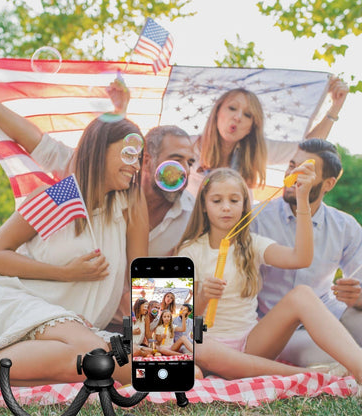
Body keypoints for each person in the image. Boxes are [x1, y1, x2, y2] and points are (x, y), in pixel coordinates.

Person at [0, 113, 148, 385]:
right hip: (11, 304)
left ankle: (7, 373)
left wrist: (152, 331)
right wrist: (65, 273)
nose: (135, 164)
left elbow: (142, 276)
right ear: (99, 149)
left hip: (74, 333)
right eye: (128, 154)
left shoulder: (130, 202)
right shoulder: (60, 196)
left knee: (119, 365)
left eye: (139, 157)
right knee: (93, 355)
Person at [176, 167, 362, 383]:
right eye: (217, 201)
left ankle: (359, 366)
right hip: (210, 346)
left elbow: (301, 258)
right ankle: (315, 377)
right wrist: (203, 297)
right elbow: (184, 321)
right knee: (199, 348)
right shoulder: (189, 251)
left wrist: (302, 200)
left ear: (244, 205)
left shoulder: (252, 243)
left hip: (251, 344)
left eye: (234, 200)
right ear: (204, 207)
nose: (226, 207)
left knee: (302, 294)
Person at [250, 139, 362, 366]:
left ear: (328, 184)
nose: (293, 174)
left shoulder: (345, 226)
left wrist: (359, 298)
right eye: (292, 166)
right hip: (278, 325)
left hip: (329, 313)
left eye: (306, 170)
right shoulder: (256, 217)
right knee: (333, 360)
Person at [187, 77, 349, 195]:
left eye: (248, 115)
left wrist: (335, 107)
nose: (238, 117)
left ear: (252, 126)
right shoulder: (187, 146)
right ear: (217, 111)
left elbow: (309, 148)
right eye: (232, 108)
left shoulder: (256, 150)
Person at [141, 125, 196, 256]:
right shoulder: (117, 202)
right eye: (177, 161)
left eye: (190, 163)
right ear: (146, 161)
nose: (187, 171)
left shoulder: (193, 214)